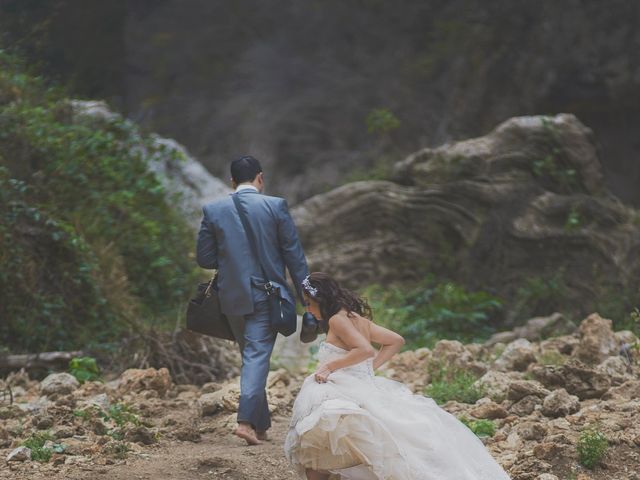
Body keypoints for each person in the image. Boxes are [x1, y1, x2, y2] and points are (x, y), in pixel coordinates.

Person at [284, 272, 511, 480]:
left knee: (321, 439)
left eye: (310, 303)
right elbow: (395, 341)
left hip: (342, 385)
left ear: (321, 300)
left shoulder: (336, 320)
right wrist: (369, 368)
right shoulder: (357, 319)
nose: (309, 309)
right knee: (346, 443)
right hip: (361, 384)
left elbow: (364, 349)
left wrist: (330, 366)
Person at [197, 155, 309, 445]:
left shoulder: (213, 210)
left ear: (231, 182)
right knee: (257, 356)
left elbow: (205, 258)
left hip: (231, 296)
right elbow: (294, 258)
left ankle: (261, 425)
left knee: (251, 357)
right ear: (260, 178)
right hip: (267, 294)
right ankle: (245, 422)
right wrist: (308, 299)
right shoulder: (275, 206)